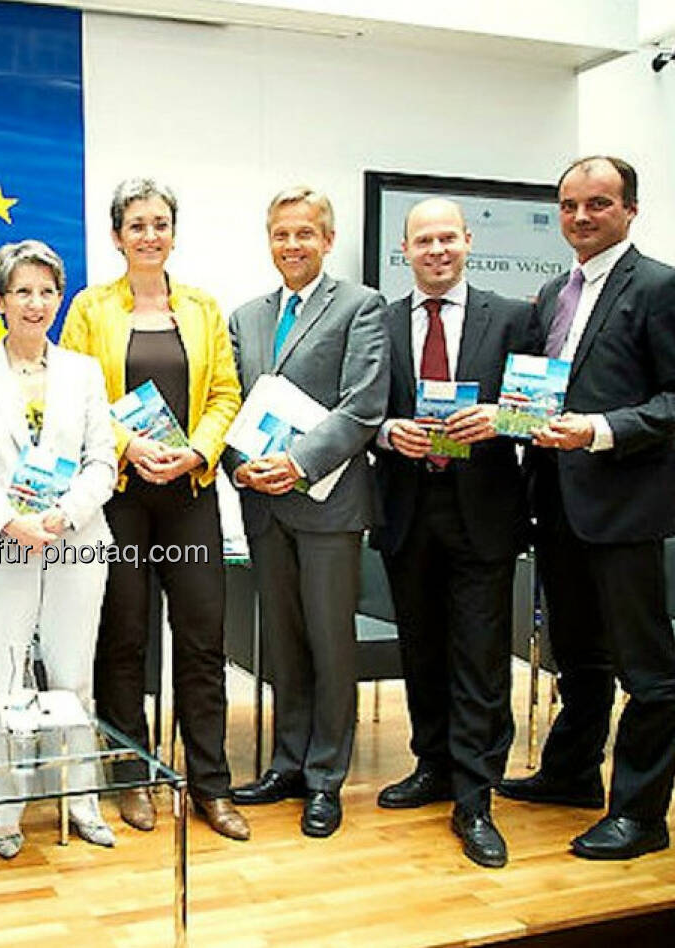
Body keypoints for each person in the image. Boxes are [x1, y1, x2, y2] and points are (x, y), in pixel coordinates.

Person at [497, 156, 675, 861]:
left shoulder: (660, 287)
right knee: (578, 658)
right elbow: (538, 392)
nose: (580, 217)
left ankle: (640, 813)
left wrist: (600, 431)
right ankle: (572, 774)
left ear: (629, 209)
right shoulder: (553, 293)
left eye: (597, 204)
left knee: (650, 670)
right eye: (569, 205)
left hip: (625, 507)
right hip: (559, 503)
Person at [59, 179, 247, 840]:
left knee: (202, 640)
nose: (149, 235)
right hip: (120, 498)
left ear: (173, 232)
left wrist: (197, 452)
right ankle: (131, 776)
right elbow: (75, 395)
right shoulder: (89, 307)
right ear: (117, 235)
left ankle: (211, 787)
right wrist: (127, 445)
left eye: (160, 223)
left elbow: (226, 392)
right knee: (125, 641)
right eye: (136, 224)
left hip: (189, 496)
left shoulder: (202, 307)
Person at [369, 198, 540, 868]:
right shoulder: (378, 322)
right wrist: (388, 432)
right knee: (422, 648)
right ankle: (432, 765)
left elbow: (538, 414)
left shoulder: (515, 318)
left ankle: (475, 797)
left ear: (468, 242)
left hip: (484, 511)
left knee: (479, 655)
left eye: (447, 238)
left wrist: (501, 417)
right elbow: (365, 412)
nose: (436, 250)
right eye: (423, 241)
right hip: (408, 507)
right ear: (404, 252)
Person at [226, 186, 388, 838]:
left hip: (328, 505)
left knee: (330, 645)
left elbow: (363, 405)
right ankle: (287, 764)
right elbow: (231, 401)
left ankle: (326, 778)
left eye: (304, 233)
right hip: (264, 508)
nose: (291, 245)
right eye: (280, 234)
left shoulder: (360, 306)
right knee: (285, 647)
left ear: (327, 238)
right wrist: (236, 462)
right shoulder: (247, 316)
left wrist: (296, 462)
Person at [0, 240, 119, 857]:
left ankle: (82, 801)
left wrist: (64, 514)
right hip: (2, 548)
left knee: (74, 675)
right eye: (22, 291)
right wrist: (9, 523)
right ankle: (4, 811)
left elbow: (103, 460)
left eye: (47, 291)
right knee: (4, 676)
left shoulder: (85, 372)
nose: (36, 302)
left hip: (76, 540)